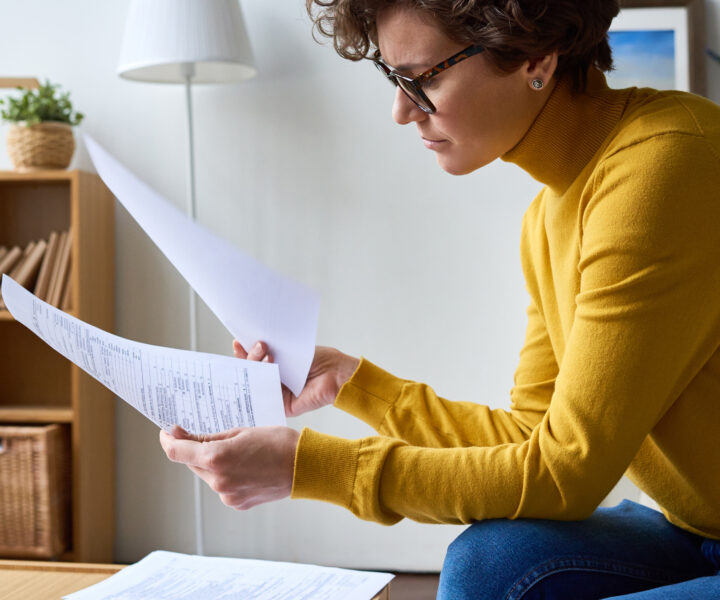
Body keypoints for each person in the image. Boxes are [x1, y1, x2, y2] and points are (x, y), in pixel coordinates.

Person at [159, 1, 720, 597]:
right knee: (489, 562)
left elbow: (564, 474)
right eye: (394, 78)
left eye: (424, 78)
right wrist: (351, 382)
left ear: (535, 55)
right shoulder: (547, 217)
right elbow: (530, 436)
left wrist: (309, 468)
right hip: (692, 527)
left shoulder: (665, 166)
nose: (402, 111)